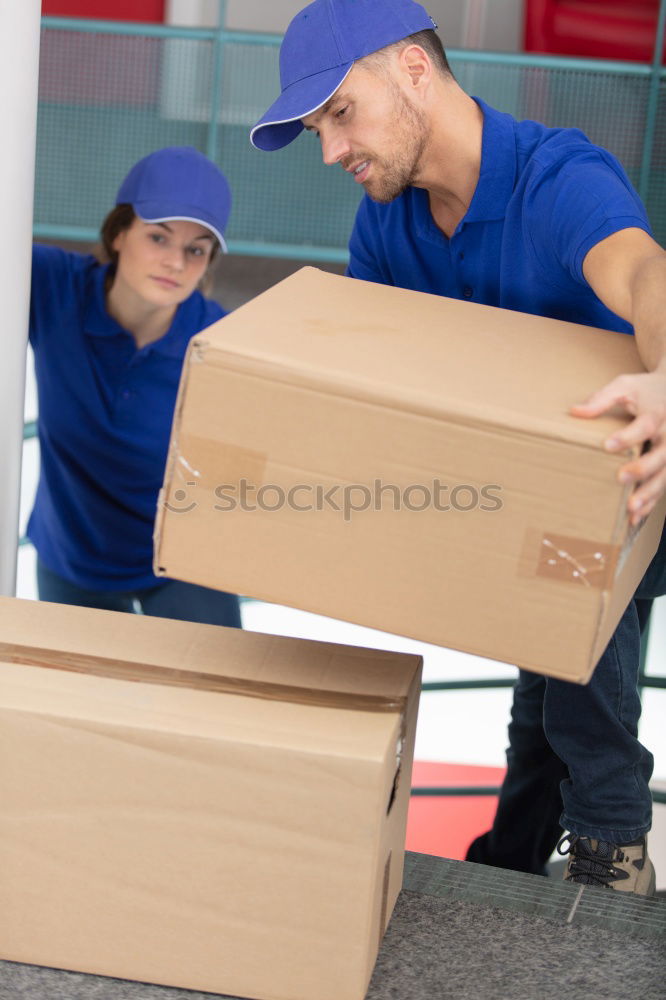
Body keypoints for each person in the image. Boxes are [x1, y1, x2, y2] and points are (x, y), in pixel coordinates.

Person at [250, 0, 666, 894]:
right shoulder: (388, 226)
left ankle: (614, 845)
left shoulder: (554, 179)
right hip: (520, 511)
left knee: (574, 639)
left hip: (629, 488)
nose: (332, 151)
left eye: (339, 114)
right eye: (319, 128)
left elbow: (645, 273)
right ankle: (517, 858)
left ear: (411, 69)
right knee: (541, 698)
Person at [28, 146, 242, 629]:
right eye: (158, 237)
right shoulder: (52, 286)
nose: (175, 263)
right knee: (80, 704)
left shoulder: (221, 345)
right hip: (73, 557)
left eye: (196, 248)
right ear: (120, 233)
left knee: (215, 698)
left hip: (182, 562)